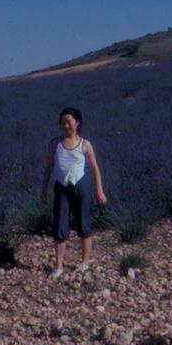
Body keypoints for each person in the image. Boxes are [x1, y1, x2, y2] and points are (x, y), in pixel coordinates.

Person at [40, 107, 107, 278]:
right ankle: (59, 265)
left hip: (80, 186)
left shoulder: (85, 144)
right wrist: (43, 190)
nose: (65, 125)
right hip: (61, 187)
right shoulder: (55, 144)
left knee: (83, 223)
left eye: (68, 122)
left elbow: (94, 168)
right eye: (62, 122)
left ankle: (85, 262)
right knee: (59, 225)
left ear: (77, 123)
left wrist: (100, 190)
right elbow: (48, 167)